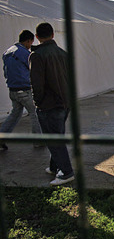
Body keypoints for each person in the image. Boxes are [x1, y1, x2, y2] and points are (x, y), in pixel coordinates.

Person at [29, 22, 74, 186]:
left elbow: (36, 83)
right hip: (64, 102)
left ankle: (66, 172)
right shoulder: (63, 53)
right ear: (53, 35)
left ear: (37, 37)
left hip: (49, 104)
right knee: (57, 136)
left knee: (53, 139)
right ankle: (54, 167)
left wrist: (38, 102)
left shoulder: (37, 55)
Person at [0, 30, 42, 151]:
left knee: (15, 114)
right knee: (35, 113)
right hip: (24, 89)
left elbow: (5, 70)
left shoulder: (7, 52)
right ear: (28, 41)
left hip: (12, 89)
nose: (30, 45)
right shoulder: (25, 53)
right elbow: (32, 70)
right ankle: (38, 140)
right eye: (31, 42)